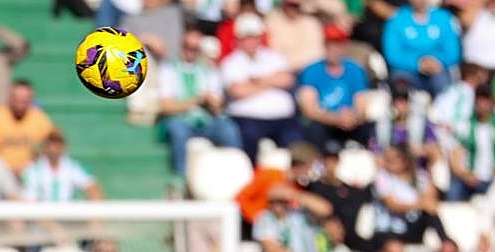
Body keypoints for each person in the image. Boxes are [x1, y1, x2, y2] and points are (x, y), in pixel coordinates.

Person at [156, 24, 241, 176]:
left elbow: (217, 105)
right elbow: (166, 106)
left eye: (195, 48)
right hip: (180, 120)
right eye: (187, 47)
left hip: (206, 120)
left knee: (228, 129)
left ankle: (235, 175)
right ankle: (180, 177)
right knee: (178, 130)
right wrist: (196, 100)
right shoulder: (168, 69)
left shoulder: (209, 70)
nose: (190, 52)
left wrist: (213, 103)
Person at [221, 13, 301, 159]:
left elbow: (287, 79)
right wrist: (271, 81)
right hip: (248, 119)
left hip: (282, 118)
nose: (251, 41)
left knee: (297, 143)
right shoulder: (231, 62)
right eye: (246, 37)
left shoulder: (273, 57)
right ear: (239, 38)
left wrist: (255, 81)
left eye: (254, 36)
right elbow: (237, 90)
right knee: (249, 140)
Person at [296, 24, 371, 149]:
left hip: (350, 121)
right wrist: (335, 118)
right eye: (330, 45)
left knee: (366, 128)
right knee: (315, 128)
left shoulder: (355, 70)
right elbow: (309, 109)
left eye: (338, 44)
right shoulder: (311, 71)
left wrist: (353, 116)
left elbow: (362, 105)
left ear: (344, 46)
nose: (334, 49)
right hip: (325, 121)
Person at [448, 85, 495, 202]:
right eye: (480, 100)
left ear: (493, 102)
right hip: (469, 178)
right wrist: (465, 175)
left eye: (486, 100)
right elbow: (455, 157)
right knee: (454, 189)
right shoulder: (463, 126)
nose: (483, 105)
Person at [382, 0, 460, 96]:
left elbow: (453, 52)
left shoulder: (444, 18)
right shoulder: (397, 19)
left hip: (436, 68)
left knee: (442, 82)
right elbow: (392, 54)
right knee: (400, 83)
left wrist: (436, 61)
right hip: (406, 70)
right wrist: (418, 63)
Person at [0, 79, 54, 176]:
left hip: (31, 173)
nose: (20, 104)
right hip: (0, 173)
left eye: (24, 100)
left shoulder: (41, 120)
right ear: (10, 98)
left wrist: (35, 162)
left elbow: (54, 144)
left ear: (31, 100)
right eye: (16, 99)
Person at [21, 129, 102, 202]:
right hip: (41, 215)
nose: (54, 148)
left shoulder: (72, 167)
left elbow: (92, 187)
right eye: (51, 144)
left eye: (58, 144)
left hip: (68, 215)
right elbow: (31, 198)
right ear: (45, 146)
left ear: (63, 146)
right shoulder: (33, 169)